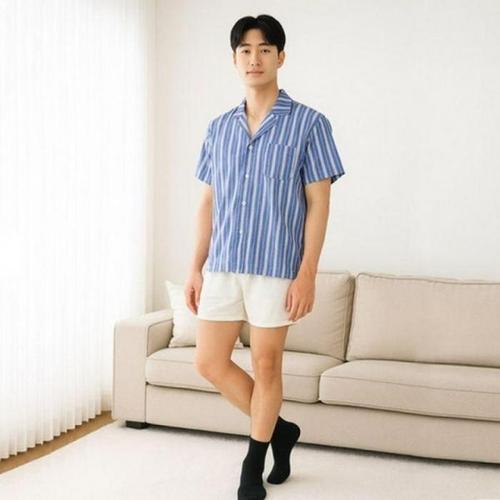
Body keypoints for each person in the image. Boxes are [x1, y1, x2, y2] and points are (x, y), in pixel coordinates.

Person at [184, 14, 346, 500]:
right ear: (234, 59)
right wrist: (194, 267)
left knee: (267, 365)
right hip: (223, 264)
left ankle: (253, 463)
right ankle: (281, 430)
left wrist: (307, 273)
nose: (254, 59)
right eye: (245, 50)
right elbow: (208, 202)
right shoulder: (219, 128)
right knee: (208, 362)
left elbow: (319, 203)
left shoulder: (310, 124)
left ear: (281, 57)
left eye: (265, 49)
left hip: (277, 267)